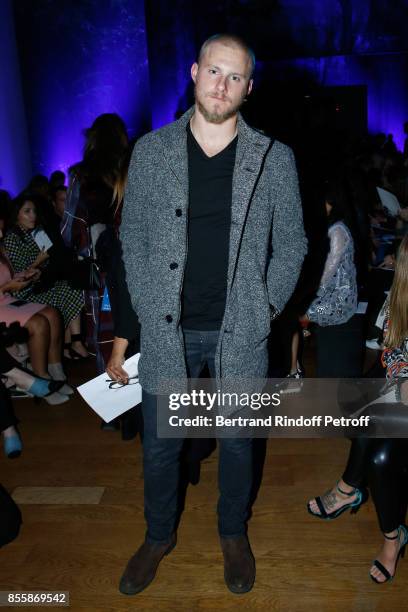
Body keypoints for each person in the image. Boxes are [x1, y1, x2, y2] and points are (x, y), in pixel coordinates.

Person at [119, 33, 307, 595]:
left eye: (235, 77)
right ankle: (158, 535)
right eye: (214, 71)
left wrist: (266, 306)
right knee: (159, 446)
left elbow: (293, 244)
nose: (221, 85)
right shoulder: (151, 151)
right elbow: (132, 240)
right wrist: (146, 314)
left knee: (238, 442)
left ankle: (232, 532)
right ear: (194, 72)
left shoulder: (274, 158)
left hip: (240, 333)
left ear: (249, 89)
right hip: (168, 330)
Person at [307, 234, 408, 584]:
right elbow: (389, 348)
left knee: (380, 457)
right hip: (400, 386)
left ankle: (390, 538)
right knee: (355, 405)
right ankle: (349, 488)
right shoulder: (401, 292)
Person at [3, 194, 87, 359]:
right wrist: (38, 263)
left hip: (40, 283)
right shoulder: (12, 238)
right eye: (27, 211)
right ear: (16, 215)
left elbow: (52, 261)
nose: (32, 215)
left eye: (34, 211)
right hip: (24, 292)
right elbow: (19, 275)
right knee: (67, 291)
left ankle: (73, 343)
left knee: (74, 287)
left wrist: (42, 268)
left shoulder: (36, 232)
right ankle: (68, 345)